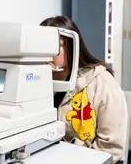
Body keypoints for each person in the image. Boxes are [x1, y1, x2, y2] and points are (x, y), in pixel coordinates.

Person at [40, 16, 128, 164]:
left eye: (54, 44)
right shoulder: (38, 80)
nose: (47, 52)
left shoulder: (102, 82)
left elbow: (111, 149)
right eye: (42, 44)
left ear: (72, 46)